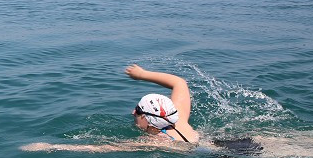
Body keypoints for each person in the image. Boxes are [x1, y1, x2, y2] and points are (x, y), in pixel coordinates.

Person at [20, 64, 201, 152]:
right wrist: (143, 74)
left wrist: (49, 146)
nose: (132, 112)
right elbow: (179, 82)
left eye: (138, 110)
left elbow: (102, 148)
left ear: (148, 120)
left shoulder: (158, 141)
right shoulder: (180, 120)